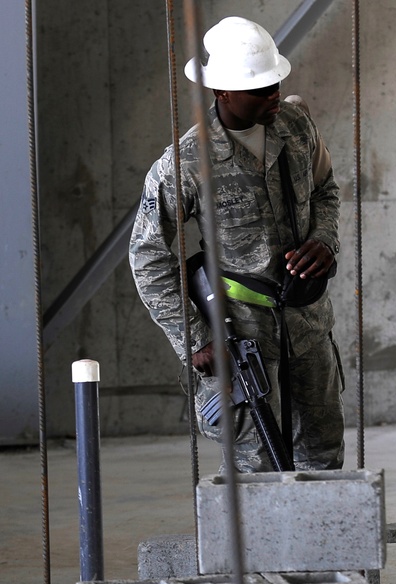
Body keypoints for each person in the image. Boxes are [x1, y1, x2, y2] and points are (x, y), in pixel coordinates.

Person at [130, 16, 345, 472]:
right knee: (257, 470)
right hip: (240, 336)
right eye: (259, 89)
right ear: (222, 92)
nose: (273, 96)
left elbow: (326, 190)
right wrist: (193, 337)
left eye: (276, 83)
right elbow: (147, 253)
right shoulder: (187, 162)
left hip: (307, 326)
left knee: (323, 461)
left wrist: (325, 239)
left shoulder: (297, 126)